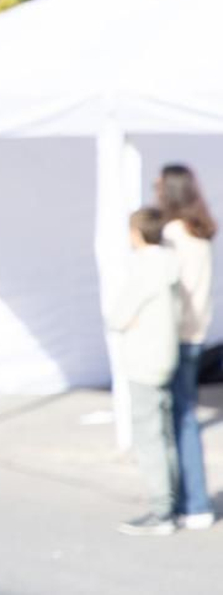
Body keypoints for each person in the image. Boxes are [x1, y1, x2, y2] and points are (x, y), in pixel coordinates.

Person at [107, 207, 182, 536]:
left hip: (144, 360)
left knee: (149, 435)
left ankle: (161, 509)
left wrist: (127, 321)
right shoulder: (170, 264)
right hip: (167, 355)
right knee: (164, 433)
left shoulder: (144, 268)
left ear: (137, 233)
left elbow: (118, 315)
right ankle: (172, 501)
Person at [156, 164, 215, 530]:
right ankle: (191, 499)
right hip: (197, 333)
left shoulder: (174, 233)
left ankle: (191, 501)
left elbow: (167, 288)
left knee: (180, 419)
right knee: (186, 414)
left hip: (174, 335)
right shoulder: (201, 231)